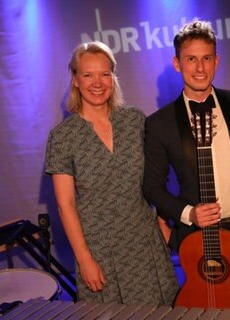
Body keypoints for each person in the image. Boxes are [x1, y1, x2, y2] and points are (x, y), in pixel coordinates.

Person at [142, 20, 230, 306]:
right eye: (191, 59)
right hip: (197, 239)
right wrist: (188, 213)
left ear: (217, 61)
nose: (200, 68)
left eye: (206, 58)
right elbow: (152, 186)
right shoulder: (159, 124)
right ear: (177, 63)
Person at [45, 41, 178, 305]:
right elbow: (65, 205)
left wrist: (163, 223)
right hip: (98, 251)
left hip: (144, 243)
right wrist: (84, 260)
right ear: (75, 80)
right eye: (88, 74)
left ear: (113, 78)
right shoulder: (62, 137)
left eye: (105, 74)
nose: (98, 82)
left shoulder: (135, 120)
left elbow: (154, 180)